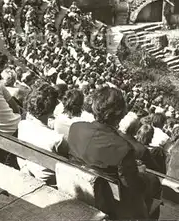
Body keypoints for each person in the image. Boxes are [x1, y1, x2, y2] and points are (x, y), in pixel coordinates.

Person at [67, 87, 161, 219]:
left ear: (94, 105)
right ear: (121, 114)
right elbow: (133, 187)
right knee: (153, 181)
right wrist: (140, 173)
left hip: (79, 189)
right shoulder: (123, 148)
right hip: (108, 202)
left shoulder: (75, 128)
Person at [17, 81, 67, 185]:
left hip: (31, 170)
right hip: (52, 182)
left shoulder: (22, 124)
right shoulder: (56, 139)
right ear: (52, 108)